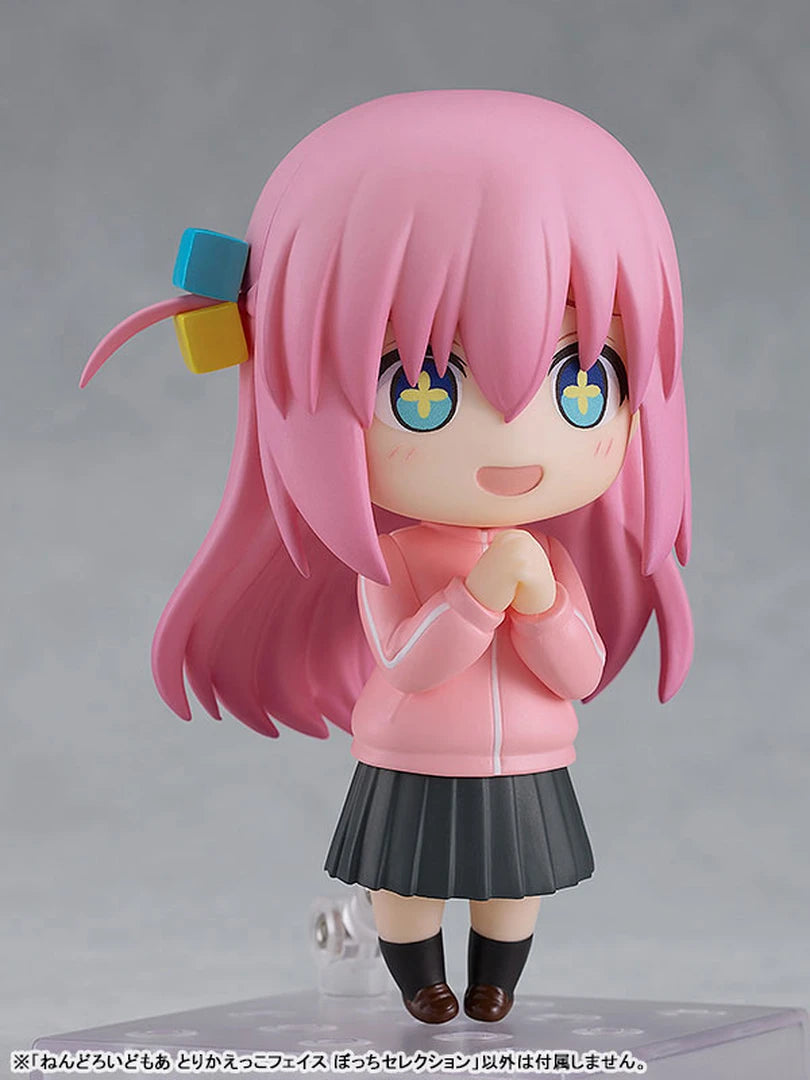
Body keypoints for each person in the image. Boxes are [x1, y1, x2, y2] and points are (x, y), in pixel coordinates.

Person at [83, 90, 692, 1024]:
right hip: (414, 752)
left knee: (514, 884)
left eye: (583, 380)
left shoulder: (548, 557)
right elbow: (409, 662)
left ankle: (495, 981)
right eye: (422, 389)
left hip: (529, 757)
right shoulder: (396, 559)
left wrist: (542, 604)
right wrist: (481, 598)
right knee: (406, 882)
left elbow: (578, 670)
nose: (513, 435)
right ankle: (422, 984)